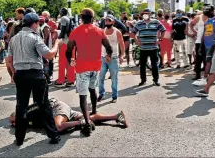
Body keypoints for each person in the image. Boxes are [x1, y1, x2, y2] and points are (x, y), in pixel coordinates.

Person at [8, 12, 62, 146]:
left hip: (20, 74)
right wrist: (57, 45)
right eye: (38, 23)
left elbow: (9, 60)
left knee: (21, 106)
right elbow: (49, 55)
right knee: (43, 105)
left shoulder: (14, 38)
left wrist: (14, 74)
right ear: (34, 24)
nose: (39, 26)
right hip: (36, 74)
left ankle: (19, 138)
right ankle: (53, 135)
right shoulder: (34, 37)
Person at [66, 8, 113, 136]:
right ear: (92, 18)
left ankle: (87, 123)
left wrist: (70, 60)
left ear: (81, 18)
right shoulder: (99, 31)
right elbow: (109, 47)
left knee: (83, 95)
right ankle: (94, 111)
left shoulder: (75, 31)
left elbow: (68, 50)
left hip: (82, 67)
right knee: (93, 89)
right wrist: (108, 56)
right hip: (96, 66)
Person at [9, 98, 128, 133]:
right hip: (61, 110)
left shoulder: (28, 110)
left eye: (13, 120)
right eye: (12, 123)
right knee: (88, 117)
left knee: (58, 127)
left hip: (57, 107)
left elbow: (44, 103)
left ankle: (80, 123)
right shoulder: (27, 123)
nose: (13, 124)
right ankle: (116, 116)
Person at [131, 8, 166, 86]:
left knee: (154, 64)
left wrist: (160, 40)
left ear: (150, 14)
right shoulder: (139, 23)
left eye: (147, 13)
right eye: (144, 13)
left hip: (153, 48)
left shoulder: (156, 22)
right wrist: (136, 41)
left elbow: (163, 30)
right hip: (143, 48)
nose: (145, 14)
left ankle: (155, 80)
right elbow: (133, 33)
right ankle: (143, 80)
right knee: (142, 65)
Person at [98, 14, 125, 103]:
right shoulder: (102, 31)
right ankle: (101, 94)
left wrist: (122, 55)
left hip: (114, 58)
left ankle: (114, 96)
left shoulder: (117, 32)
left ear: (113, 22)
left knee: (114, 78)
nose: (107, 22)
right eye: (106, 20)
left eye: (109, 20)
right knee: (101, 77)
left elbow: (121, 44)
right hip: (103, 58)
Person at [55, 8, 76, 87]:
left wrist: (59, 38)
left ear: (62, 12)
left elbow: (63, 30)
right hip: (71, 43)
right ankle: (71, 80)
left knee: (62, 62)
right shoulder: (71, 18)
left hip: (65, 42)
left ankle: (61, 80)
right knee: (71, 62)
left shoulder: (63, 18)